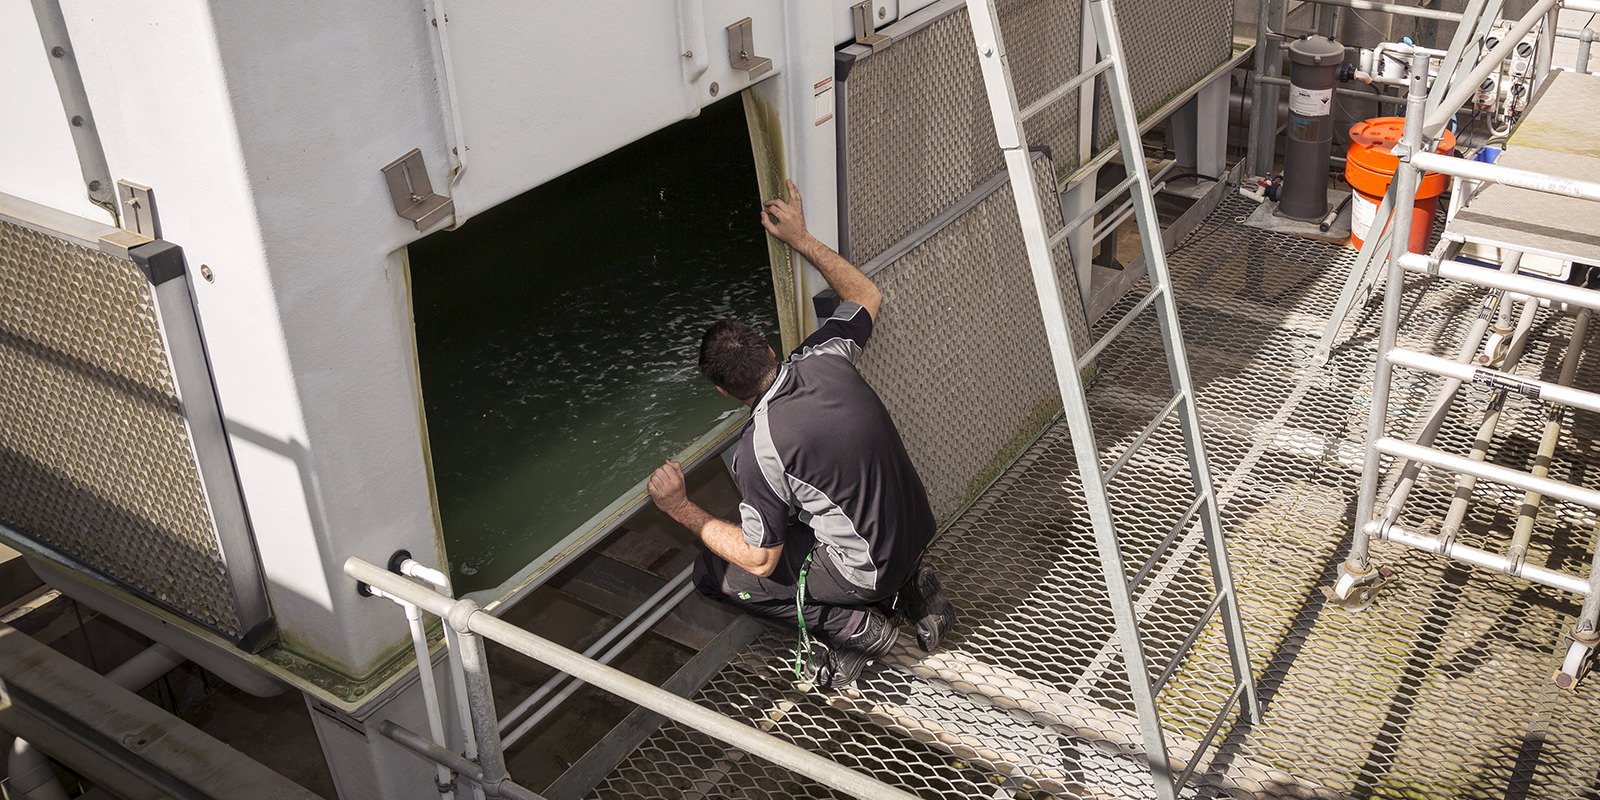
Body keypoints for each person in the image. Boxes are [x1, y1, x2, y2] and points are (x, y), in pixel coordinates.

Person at [647, 178, 955, 689]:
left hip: (868, 568)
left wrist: (678, 506)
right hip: (919, 527)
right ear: (769, 350)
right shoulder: (826, 357)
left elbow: (761, 560)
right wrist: (800, 238)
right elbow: (865, 294)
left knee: (720, 574)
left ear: (723, 392)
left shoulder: (760, 446)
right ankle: (911, 592)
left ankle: (854, 627)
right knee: (804, 514)